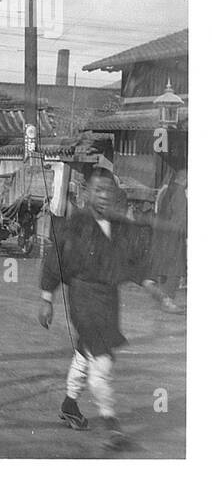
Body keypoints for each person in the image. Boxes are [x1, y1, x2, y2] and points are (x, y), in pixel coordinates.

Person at [38, 169, 146, 451]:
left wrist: (150, 284)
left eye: (108, 190)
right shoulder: (76, 224)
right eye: (98, 190)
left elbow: (130, 261)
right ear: (86, 192)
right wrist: (46, 298)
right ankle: (112, 425)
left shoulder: (117, 226)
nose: (103, 195)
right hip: (83, 298)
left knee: (86, 350)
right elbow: (56, 260)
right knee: (102, 360)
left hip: (109, 299)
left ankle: (70, 404)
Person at [141, 167, 186, 314]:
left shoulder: (165, 190)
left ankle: (162, 297)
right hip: (174, 236)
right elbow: (180, 219)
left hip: (162, 234)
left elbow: (157, 210)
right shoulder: (179, 193)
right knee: (174, 268)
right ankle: (168, 302)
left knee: (164, 266)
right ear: (185, 179)